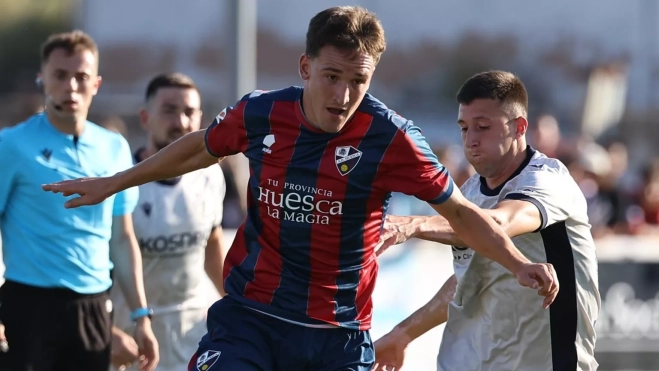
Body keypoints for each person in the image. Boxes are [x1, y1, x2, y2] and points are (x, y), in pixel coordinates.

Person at [42, 8, 558, 371]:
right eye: (332, 76)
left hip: (337, 337)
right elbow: (203, 145)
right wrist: (115, 182)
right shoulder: (263, 111)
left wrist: (517, 263)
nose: (344, 94)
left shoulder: (393, 138)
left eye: (359, 80)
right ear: (306, 66)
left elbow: (463, 213)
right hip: (250, 318)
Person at [372, 71, 600, 371]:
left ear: (519, 127)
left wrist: (415, 225)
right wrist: (402, 334)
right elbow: (468, 282)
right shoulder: (468, 194)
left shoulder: (548, 181)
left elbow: (498, 223)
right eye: (464, 128)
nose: (470, 140)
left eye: (482, 127)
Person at [0, 30, 159, 371]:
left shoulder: (114, 147)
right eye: (60, 75)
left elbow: (122, 236)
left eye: (81, 76)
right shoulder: (11, 144)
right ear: (42, 78)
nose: (71, 86)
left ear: (96, 83)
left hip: (94, 307)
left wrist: (141, 314)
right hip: (28, 305)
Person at [110, 73, 227, 371]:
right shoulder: (120, 184)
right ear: (145, 118)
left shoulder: (210, 176)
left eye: (189, 112)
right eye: (169, 111)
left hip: (192, 336)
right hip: (132, 338)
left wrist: (234, 301)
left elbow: (211, 243)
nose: (181, 122)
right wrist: (106, 331)